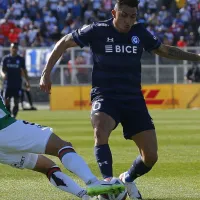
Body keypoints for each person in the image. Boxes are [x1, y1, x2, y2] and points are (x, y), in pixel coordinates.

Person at [39, 0, 200, 199]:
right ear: (114, 12)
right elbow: (64, 42)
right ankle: (108, 183)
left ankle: (127, 179)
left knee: (150, 156)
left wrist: (198, 57)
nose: (128, 21)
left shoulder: (140, 33)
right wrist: (46, 73)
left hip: (133, 98)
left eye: (132, 16)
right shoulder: (97, 30)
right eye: (123, 15)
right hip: (105, 95)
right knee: (100, 127)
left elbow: (166, 51)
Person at [0, 94, 124, 200]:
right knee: (62, 146)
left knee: (47, 167)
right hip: (5, 128)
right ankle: (93, 182)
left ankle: (85, 196)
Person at [0, 43, 30, 117]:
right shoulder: (6, 59)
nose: (14, 49)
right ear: (10, 48)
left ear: (17, 49)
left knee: (16, 102)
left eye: (16, 48)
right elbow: (1, 69)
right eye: (13, 47)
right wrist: (3, 75)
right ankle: (9, 115)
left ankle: (14, 116)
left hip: (17, 84)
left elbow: (24, 70)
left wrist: (27, 81)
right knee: (6, 101)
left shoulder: (20, 59)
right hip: (7, 84)